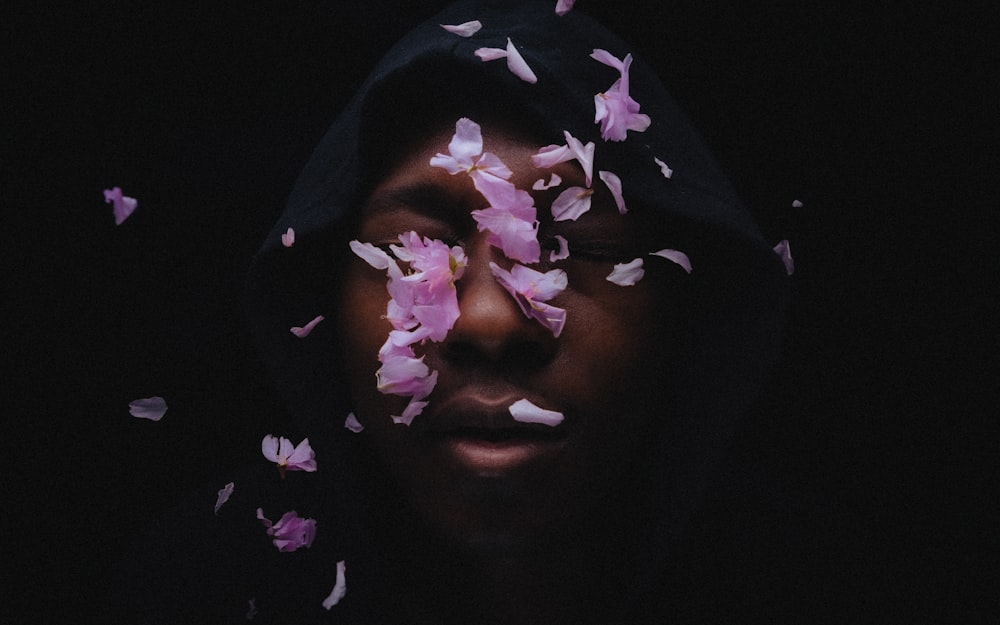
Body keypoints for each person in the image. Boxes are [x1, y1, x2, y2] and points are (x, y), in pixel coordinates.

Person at [107, 1, 879, 622]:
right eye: (411, 246)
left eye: (593, 243)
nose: (486, 321)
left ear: (688, 306)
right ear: (318, 290)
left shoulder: (818, 586)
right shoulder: (199, 582)